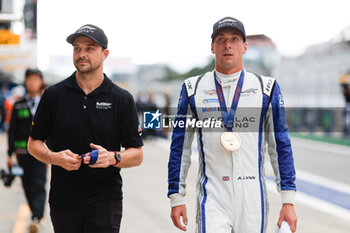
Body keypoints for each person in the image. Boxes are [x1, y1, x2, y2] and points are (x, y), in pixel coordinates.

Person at [168, 17, 297, 233]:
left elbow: (280, 146)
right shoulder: (192, 88)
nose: (228, 45)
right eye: (221, 39)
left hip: (253, 196)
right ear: (212, 47)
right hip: (213, 195)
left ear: (244, 46)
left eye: (234, 39)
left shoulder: (266, 88)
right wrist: (176, 196)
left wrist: (288, 200)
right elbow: (179, 147)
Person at [27, 24, 143, 233]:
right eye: (77, 48)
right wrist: (54, 158)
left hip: (105, 199)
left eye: (89, 48)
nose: (81, 54)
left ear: (105, 54)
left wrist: (112, 157)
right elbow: (33, 144)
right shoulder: (53, 95)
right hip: (64, 200)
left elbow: (137, 154)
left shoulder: (122, 99)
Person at [7, 68, 46, 233]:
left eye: (35, 79)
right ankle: (35, 213)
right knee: (27, 185)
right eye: (29, 79)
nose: (32, 82)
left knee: (38, 184)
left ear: (40, 82)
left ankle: (36, 217)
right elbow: (12, 129)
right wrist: (10, 154)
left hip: (41, 154)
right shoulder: (18, 104)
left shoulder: (46, 104)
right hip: (22, 153)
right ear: (25, 82)